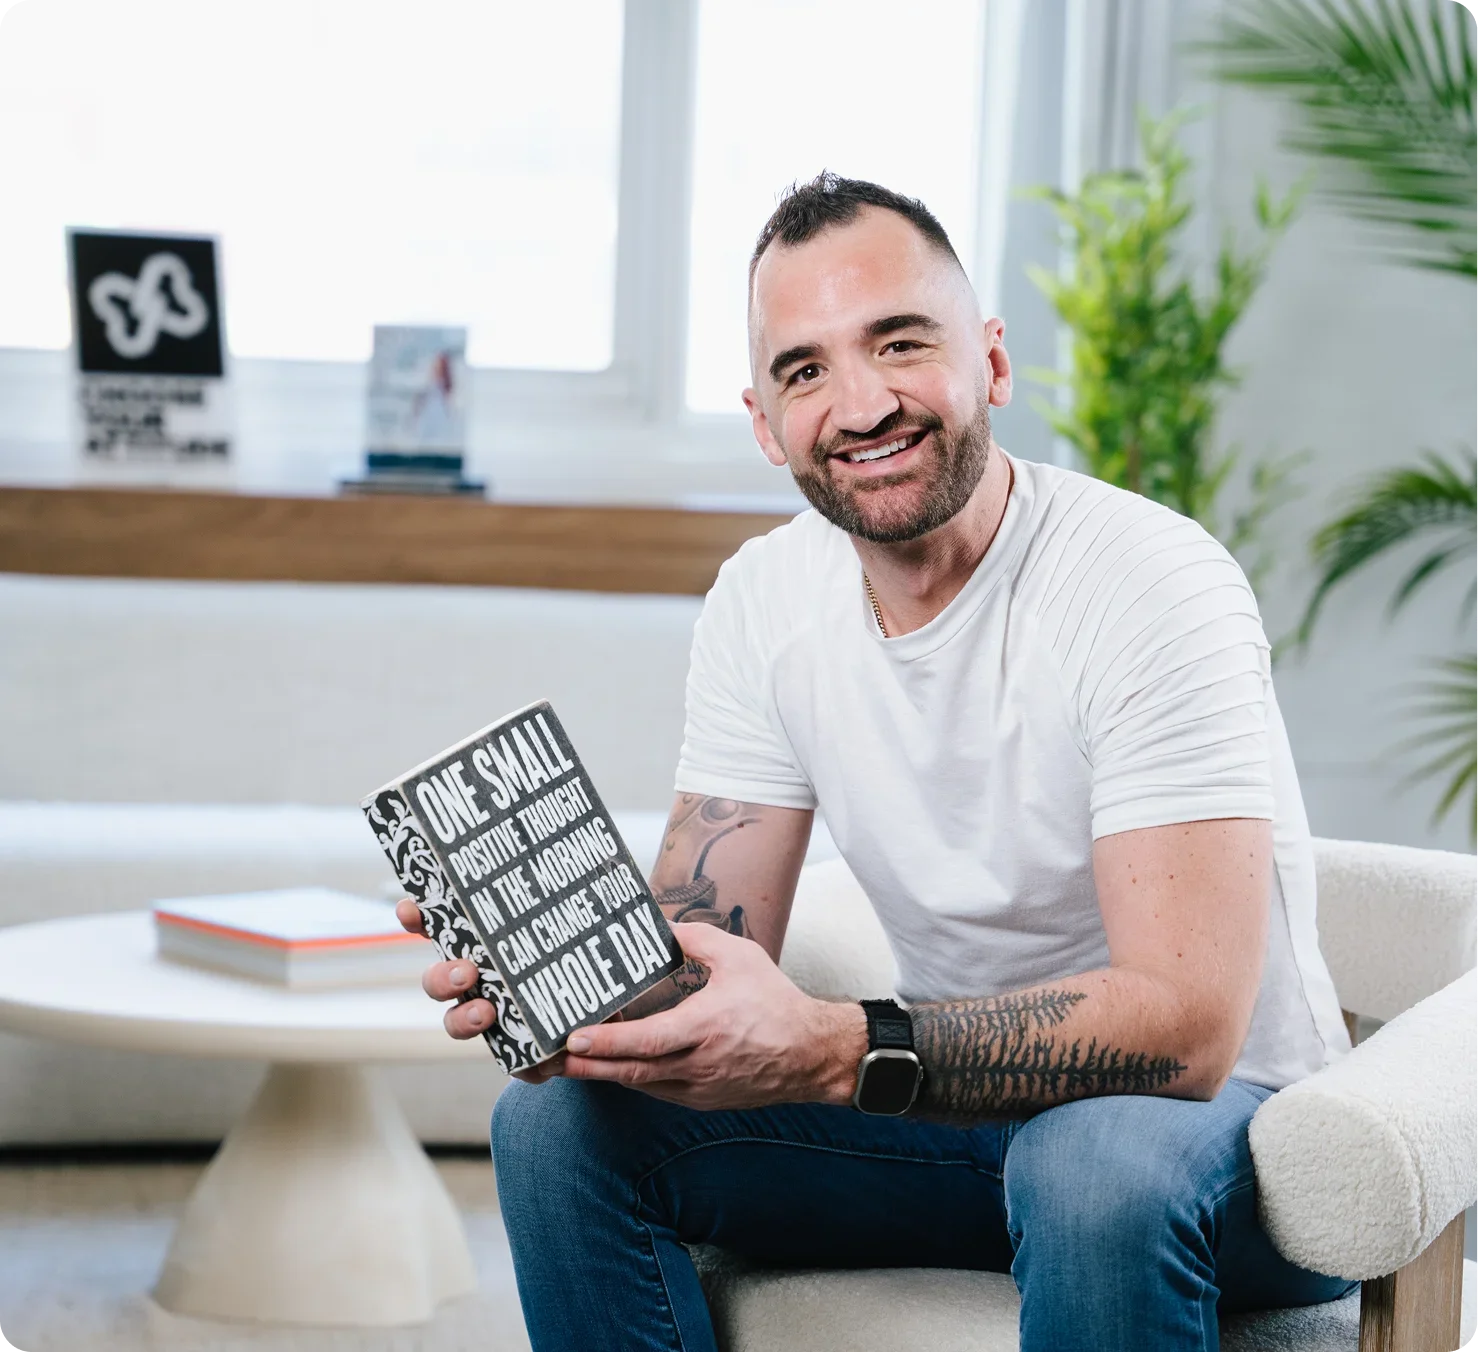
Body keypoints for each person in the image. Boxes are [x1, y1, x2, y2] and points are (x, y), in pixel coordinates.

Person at [398, 173, 1356, 1351]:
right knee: (557, 1126)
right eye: (803, 370)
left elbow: (1184, 1029)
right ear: (764, 423)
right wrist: (580, 990)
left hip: (1224, 1133)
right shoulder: (764, 598)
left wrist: (835, 1043)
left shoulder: (1148, 582)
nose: (859, 405)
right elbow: (705, 948)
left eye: (898, 343)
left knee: (1086, 1161)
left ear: (989, 362)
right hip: (961, 1121)